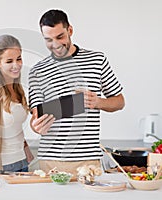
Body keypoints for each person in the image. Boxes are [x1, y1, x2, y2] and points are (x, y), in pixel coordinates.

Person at [28, 9, 125, 178]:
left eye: (60, 37)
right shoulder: (37, 71)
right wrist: (35, 127)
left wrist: (98, 102)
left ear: (70, 30)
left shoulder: (97, 60)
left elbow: (119, 101)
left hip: (88, 162)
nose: (55, 44)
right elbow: (35, 117)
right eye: (48, 40)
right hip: (50, 162)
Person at [0, 34, 34, 172]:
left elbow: (16, 127)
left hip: (22, 162)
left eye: (19, 59)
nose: (16, 65)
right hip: (1, 166)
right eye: (9, 61)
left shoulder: (16, 86)